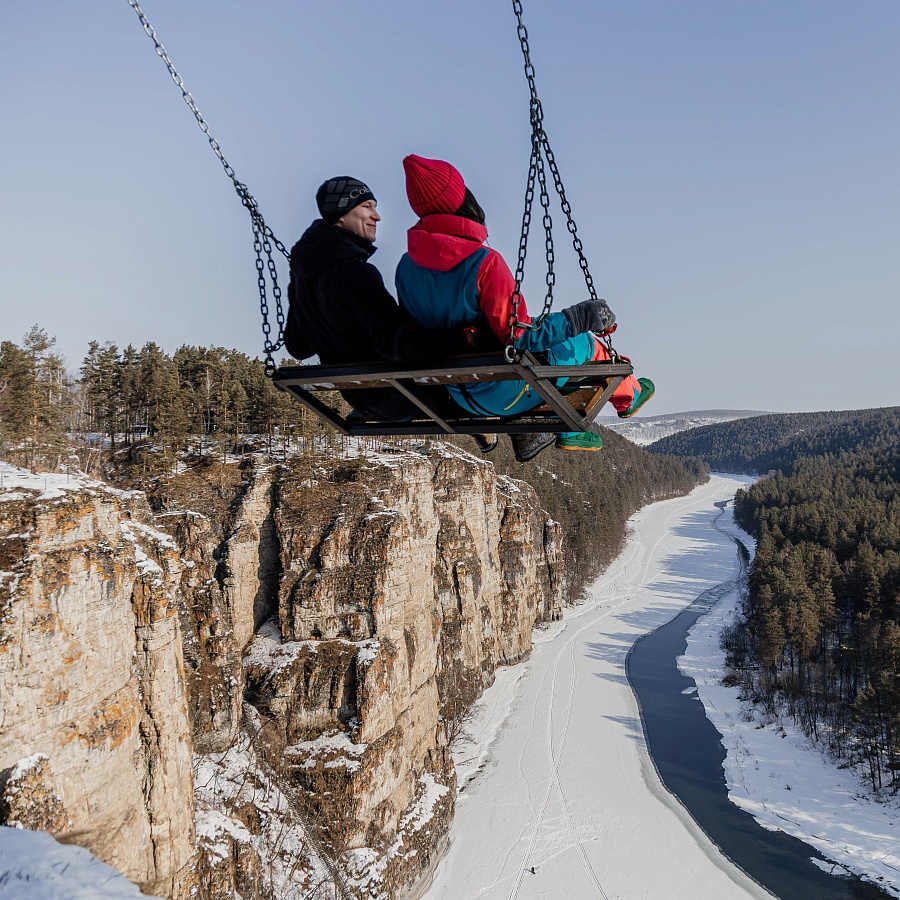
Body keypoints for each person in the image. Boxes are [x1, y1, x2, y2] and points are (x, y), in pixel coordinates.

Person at [395, 154, 655, 462]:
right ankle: (628, 398)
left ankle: (567, 427)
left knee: (551, 340)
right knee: (584, 343)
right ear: (463, 198)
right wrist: (583, 316)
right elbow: (521, 337)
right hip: (506, 393)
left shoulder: (405, 269)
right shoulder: (483, 263)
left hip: (460, 395)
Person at [282, 176, 498, 447]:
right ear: (340, 214)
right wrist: (468, 336)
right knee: (495, 366)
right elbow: (397, 345)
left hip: (362, 398)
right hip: (401, 395)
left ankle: (481, 422)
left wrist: (296, 284)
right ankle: (507, 424)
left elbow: (298, 347)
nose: (377, 216)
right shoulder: (356, 274)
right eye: (367, 207)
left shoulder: (307, 276)